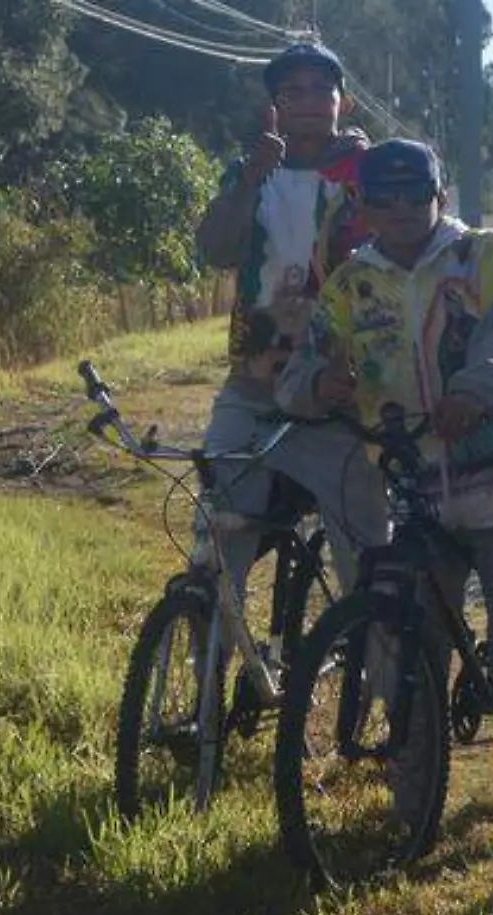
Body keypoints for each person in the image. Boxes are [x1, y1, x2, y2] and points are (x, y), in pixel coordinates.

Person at [277, 139, 493, 860]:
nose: (402, 209)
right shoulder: (348, 284)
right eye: (384, 197)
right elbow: (304, 361)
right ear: (363, 205)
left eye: (416, 194)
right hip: (415, 489)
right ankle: (415, 802)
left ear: (439, 195)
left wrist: (477, 387)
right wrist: (317, 387)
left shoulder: (486, 255)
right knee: (416, 650)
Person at [190, 41, 386, 601]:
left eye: (322, 90)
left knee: (366, 556)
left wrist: (359, 168)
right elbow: (217, 250)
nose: (307, 102)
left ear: (344, 104)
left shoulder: (366, 171)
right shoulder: (250, 170)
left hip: (337, 395)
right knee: (216, 540)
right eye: (289, 92)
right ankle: (210, 668)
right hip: (254, 386)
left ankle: (382, 675)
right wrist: (250, 178)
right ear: (272, 106)